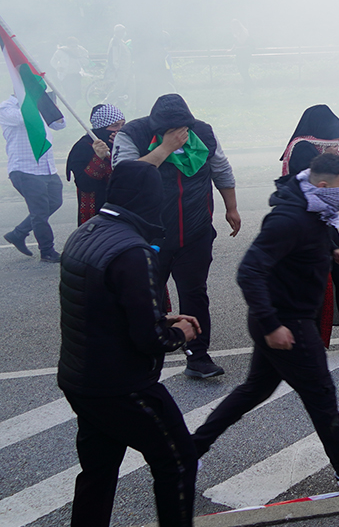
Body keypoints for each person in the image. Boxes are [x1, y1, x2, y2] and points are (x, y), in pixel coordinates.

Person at [191, 153, 339, 491]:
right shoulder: (289, 218)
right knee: (321, 395)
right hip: (286, 322)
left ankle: (190, 450)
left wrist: (330, 251)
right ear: (326, 184)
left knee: (253, 390)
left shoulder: (311, 204)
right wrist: (272, 325)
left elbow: (310, 235)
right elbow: (249, 271)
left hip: (282, 318)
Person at [57, 160, 202, 527]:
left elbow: (101, 305)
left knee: (98, 472)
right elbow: (148, 338)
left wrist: (158, 317)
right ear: (150, 199)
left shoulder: (86, 231)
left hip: (80, 378)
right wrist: (178, 333)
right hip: (122, 386)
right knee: (177, 459)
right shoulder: (134, 252)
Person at [112, 94, 241, 379]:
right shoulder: (133, 133)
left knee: (194, 293)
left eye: (181, 127)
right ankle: (141, 351)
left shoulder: (202, 132)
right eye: (168, 128)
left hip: (194, 232)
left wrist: (231, 208)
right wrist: (165, 148)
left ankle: (198, 356)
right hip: (147, 236)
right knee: (146, 296)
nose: (177, 133)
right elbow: (125, 176)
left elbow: (221, 169)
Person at [280, 105, 339, 355]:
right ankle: (308, 337)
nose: (329, 147)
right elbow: (323, 181)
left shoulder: (310, 147)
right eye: (328, 143)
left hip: (319, 220)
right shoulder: (302, 148)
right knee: (317, 280)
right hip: (308, 223)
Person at [1, 89, 66, 263]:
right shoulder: (6, 107)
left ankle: (19, 233)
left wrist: (51, 107)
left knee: (55, 202)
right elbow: (23, 119)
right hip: (24, 169)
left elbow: (59, 124)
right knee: (39, 212)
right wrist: (36, 104)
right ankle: (47, 251)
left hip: (47, 168)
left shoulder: (38, 104)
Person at [66, 104, 124, 225]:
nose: (119, 129)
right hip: (95, 211)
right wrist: (99, 158)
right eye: (114, 126)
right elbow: (84, 184)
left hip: (121, 207)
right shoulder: (83, 147)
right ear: (101, 127)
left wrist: (120, 149)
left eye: (122, 125)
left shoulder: (123, 144)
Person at [50, 37, 90, 106]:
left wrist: (79, 56)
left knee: (76, 94)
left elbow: (86, 61)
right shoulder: (61, 51)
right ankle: (70, 108)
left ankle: (73, 106)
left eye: (75, 46)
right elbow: (53, 61)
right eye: (72, 46)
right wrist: (58, 67)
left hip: (76, 75)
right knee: (69, 93)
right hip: (66, 76)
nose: (74, 48)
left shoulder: (81, 50)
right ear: (68, 46)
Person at [105, 24, 134, 107]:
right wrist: (116, 69)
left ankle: (128, 104)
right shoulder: (115, 41)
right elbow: (115, 56)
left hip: (126, 68)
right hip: (121, 69)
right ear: (118, 32)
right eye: (122, 31)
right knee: (119, 88)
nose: (124, 33)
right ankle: (105, 104)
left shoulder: (120, 41)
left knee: (130, 86)